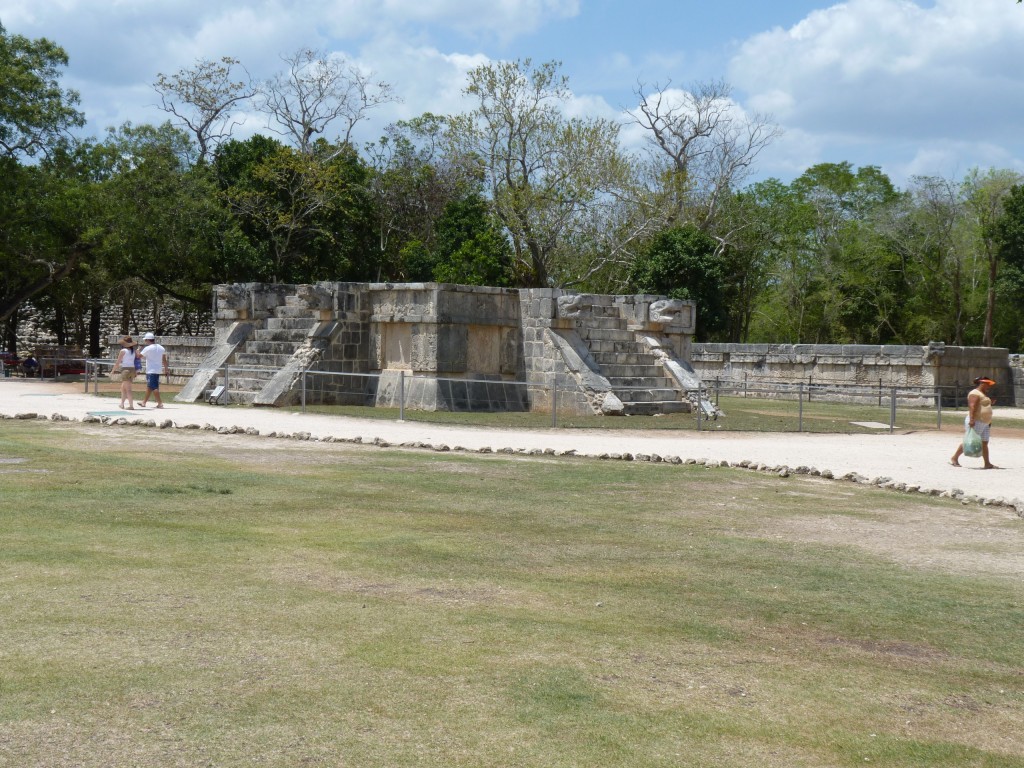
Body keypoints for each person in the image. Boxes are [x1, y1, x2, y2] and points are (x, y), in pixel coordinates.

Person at [950, 376, 997, 469]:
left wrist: (990, 403)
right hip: (977, 421)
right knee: (970, 441)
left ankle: (987, 463)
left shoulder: (983, 394)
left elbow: (983, 406)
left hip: (985, 422)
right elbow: (972, 406)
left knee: (984, 442)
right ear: (982, 383)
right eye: (988, 384)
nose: (989, 387)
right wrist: (972, 420)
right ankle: (954, 458)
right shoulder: (974, 393)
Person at [138, 332, 169, 409]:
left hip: (151, 370)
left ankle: (160, 403)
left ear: (148, 340)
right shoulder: (161, 348)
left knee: (154, 387)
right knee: (150, 386)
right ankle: (144, 402)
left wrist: (138, 350)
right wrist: (166, 369)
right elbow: (164, 359)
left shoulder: (148, 348)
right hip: (157, 369)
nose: (145, 342)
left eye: (145, 340)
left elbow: (139, 356)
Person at [112, 337, 138, 409]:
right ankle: (122, 404)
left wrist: (113, 370)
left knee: (128, 389)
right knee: (123, 388)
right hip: (132, 369)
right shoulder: (133, 351)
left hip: (126, 370)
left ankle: (131, 405)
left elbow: (118, 362)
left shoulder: (123, 351)